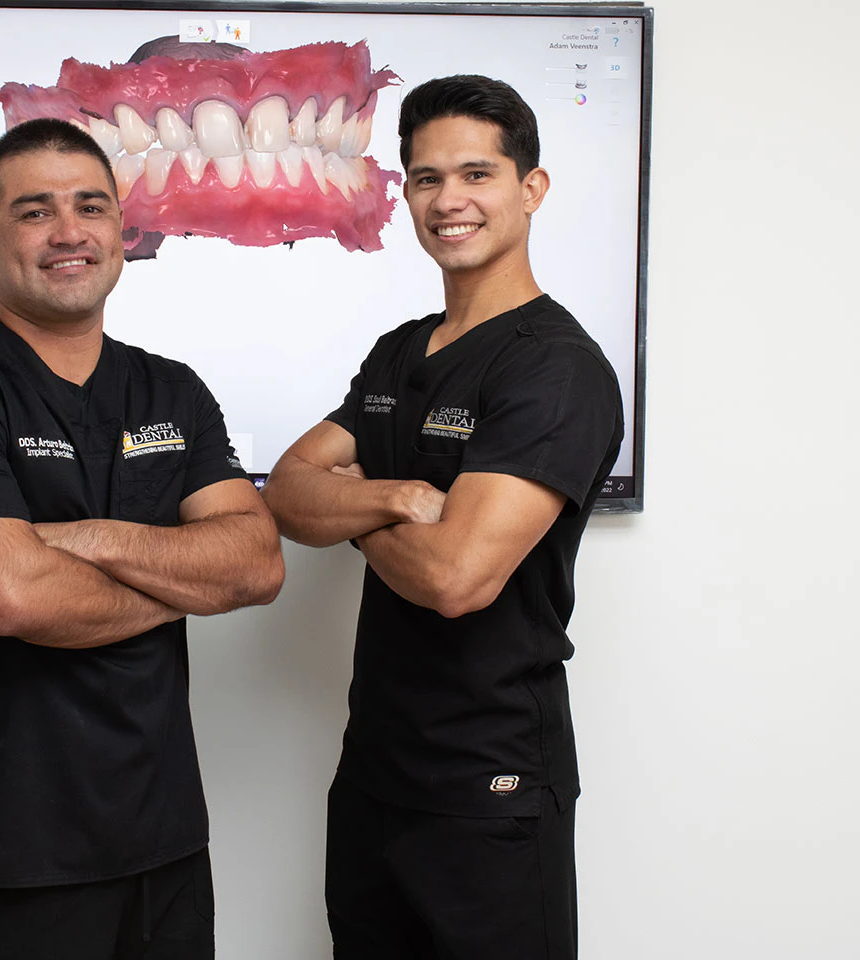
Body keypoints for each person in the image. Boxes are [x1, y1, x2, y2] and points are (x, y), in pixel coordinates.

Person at [0, 118, 284, 960]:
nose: (69, 232)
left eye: (90, 206)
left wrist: (81, 539)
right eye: (33, 212)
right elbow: (12, 595)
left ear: (121, 232)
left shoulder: (172, 390)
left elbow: (257, 563)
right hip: (8, 851)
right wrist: (185, 580)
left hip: (162, 839)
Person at [262, 75, 624, 960]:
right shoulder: (400, 350)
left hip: (491, 784)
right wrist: (388, 496)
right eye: (426, 179)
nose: (448, 200)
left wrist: (344, 503)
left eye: (476, 174)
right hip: (377, 774)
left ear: (530, 190)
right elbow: (285, 488)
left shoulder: (557, 370)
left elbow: (456, 578)